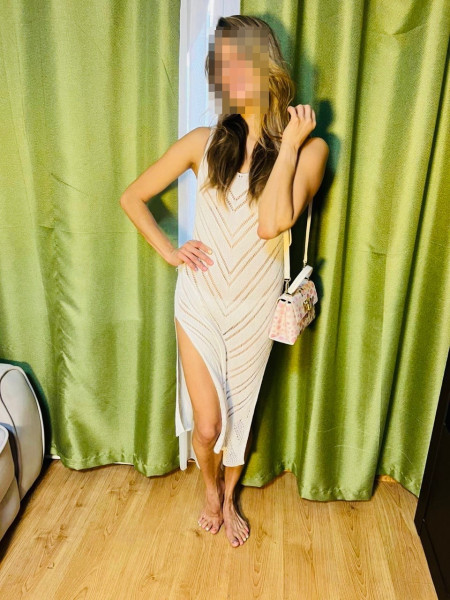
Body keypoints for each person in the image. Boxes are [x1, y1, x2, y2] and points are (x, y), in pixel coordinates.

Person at [120, 15, 329, 548]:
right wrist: (171, 251)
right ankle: (209, 490)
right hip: (201, 300)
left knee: (238, 419)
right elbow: (132, 197)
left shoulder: (311, 151)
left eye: (239, 60)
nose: (227, 73)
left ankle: (229, 495)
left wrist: (288, 146)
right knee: (209, 425)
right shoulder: (203, 142)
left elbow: (271, 223)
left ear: (267, 66)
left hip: (256, 307)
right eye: (221, 64)